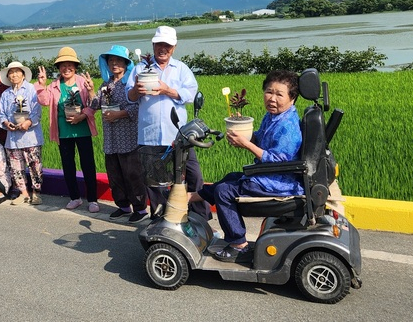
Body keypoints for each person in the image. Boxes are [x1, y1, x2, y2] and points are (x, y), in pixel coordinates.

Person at [188, 70, 303, 262]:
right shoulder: (274, 116)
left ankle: (238, 244)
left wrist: (247, 144)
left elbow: (279, 161)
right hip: (270, 176)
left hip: (279, 181)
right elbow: (262, 138)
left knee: (225, 191)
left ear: (292, 98)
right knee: (231, 178)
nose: (272, 98)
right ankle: (192, 197)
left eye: (279, 94)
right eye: (269, 92)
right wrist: (243, 133)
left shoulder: (287, 126)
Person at [126, 25, 209, 219]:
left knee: (193, 176)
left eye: (167, 45)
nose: (163, 49)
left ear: (174, 47)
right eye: (159, 44)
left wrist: (167, 90)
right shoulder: (140, 68)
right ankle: (159, 219)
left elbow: (191, 94)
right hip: (150, 134)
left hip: (179, 135)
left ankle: (201, 218)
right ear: (153, 45)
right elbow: (129, 96)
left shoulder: (181, 69)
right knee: (154, 180)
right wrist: (137, 90)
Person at [35, 47, 99, 212]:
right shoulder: (55, 85)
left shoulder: (83, 83)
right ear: (58, 68)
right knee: (68, 165)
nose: (66, 68)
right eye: (63, 65)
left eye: (70, 64)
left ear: (75, 66)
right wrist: (41, 86)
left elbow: (94, 105)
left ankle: (92, 200)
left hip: (83, 129)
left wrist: (89, 96)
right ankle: (75, 197)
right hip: (63, 131)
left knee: (88, 165)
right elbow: (44, 101)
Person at [94, 45, 148, 223]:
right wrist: (88, 90)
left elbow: (137, 107)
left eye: (118, 60)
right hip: (111, 138)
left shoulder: (130, 83)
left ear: (126, 64)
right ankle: (123, 205)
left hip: (129, 137)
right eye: (111, 61)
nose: (114, 63)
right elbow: (95, 103)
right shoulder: (105, 84)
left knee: (132, 173)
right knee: (115, 173)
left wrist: (120, 114)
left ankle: (140, 209)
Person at [0, 61, 44, 205]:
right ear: (8, 76)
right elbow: (2, 114)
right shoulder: (5, 94)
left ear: (23, 74)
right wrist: (6, 123)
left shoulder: (31, 89)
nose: (14, 75)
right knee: (16, 168)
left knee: (35, 166)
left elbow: (37, 112)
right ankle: (23, 193)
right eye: (11, 72)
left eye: (17, 71)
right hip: (12, 138)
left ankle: (36, 193)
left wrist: (28, 122)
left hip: (30, 136)